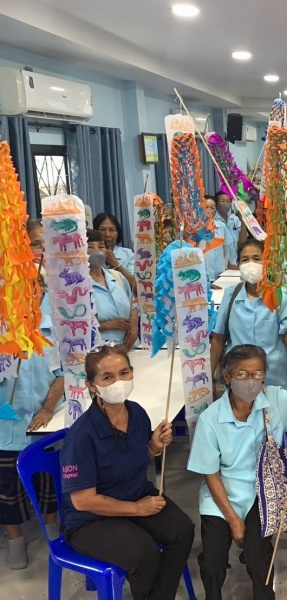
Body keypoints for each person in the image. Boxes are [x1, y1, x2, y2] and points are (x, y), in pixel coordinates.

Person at [60, 343, 194, 600]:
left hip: (134, 493)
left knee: (182, 530)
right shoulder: (82, 437)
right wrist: (136, 509)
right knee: (144, 556)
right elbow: (83, 501)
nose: (118, 382)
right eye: (107, 377)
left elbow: (131, 458)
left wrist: (153, 447)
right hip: (91, 520)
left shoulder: (138, 413)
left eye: (124, 373)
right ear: (91, 385)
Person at [188, 344, 287, 600]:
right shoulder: (211, 419)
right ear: (227, 377)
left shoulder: (274, 399)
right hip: (221, 495)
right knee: (212, 561)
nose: (251, 381)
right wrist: (232, 519)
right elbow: (210, 474)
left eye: (258, 373)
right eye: (242, 374)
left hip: (262, 493)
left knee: (259, 559)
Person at [0, 220, 63, 570]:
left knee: (48, 483)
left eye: (36, 285)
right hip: (5, 428)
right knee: (7, 489)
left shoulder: (52, 323)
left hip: (46, 423)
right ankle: (15, 540)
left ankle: (52, 531)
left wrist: (48, 408)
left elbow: (64, 375)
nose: (32, 290)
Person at [210, 240, 287, 392]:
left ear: (267, 262)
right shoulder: (231, 294)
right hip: (238, 376)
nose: (251, 264)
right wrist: (208, 378)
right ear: (238, 265)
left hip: (276, 378)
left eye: (257, 259)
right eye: (245, 259)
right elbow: (218, 339)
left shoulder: (281, 295)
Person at [87, 229, 138, 349]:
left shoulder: (117, 276)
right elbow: (75, 325)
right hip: (99, 351)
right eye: (90, 247)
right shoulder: (79, 285)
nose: (97, 251)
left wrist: (134, 328)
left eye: (101, 246)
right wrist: (107, 325)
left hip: (129, 348)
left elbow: (133, 305)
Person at [93, 212, 136, 289]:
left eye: (112, 230)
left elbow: (136, 286)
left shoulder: (128, 254)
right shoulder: (89, 254)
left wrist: (115, 264)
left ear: (118, 233)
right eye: (102, 229)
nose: (107, 235)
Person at [203, 196, 237, 282]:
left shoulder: (221, 226)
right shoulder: (196, 228)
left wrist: (224, 266)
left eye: (212, 207)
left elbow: (226, 249)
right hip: (204, 274)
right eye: (206, 207)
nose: (209, 210)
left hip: (220, 273)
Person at [212, 191, 245, 256]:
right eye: (222, 201)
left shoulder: (235, 219)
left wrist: (243, 220)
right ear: (216, 204)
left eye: (228, 201)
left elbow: (243, 240)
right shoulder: (213, 220)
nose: (226, 203)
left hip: (234, 257)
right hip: (220, 258)